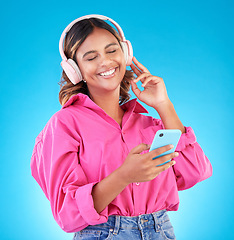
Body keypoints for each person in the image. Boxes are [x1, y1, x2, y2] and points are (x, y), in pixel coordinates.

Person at [31, 15, 212, 240]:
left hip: (161, 230)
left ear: (125, 54)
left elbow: (196, 172)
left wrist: (164, 106)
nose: (105, 62)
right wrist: (123, 176)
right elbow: (67, 215)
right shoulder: (64, 125)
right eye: (91, 57)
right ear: (74, 70)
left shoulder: (149, 125)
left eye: (111, 51)